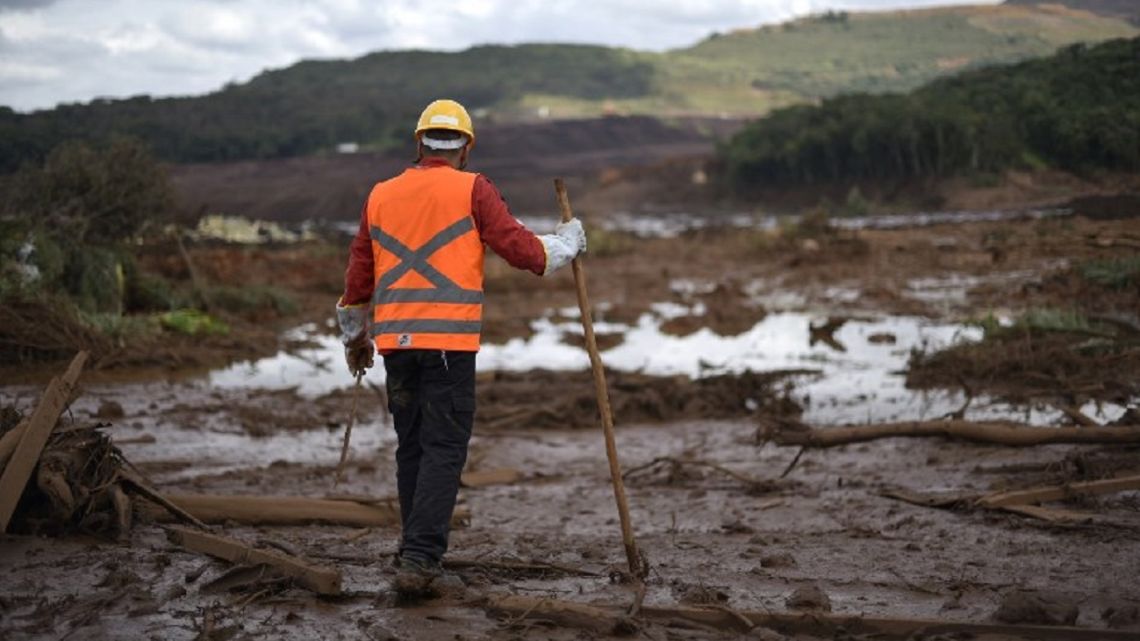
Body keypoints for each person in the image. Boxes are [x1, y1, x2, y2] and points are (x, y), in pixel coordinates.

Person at [335, 99, 587, 598]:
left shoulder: (381, 195)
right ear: (466, 147)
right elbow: (523, 251)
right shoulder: (474, 188)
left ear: (419, 143)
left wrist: (354, 338)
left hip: (397, 348)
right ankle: (421, 560)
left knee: (413, 447)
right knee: (444, 450)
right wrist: (568, 244)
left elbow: (358, 276)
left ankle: (413, 548)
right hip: (449, 346)